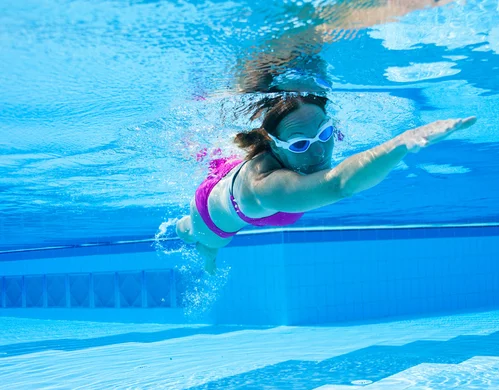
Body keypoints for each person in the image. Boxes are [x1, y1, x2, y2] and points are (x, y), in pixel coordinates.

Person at [176, 93, 476, 274]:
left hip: (231, 172)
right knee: (204, 241)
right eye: (299, 145)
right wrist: (402, 143)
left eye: (324, 134)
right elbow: (338, 185)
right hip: (211, 216)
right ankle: (188, 236)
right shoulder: (266, 187)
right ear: (275, 146)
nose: (319, 151)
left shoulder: (290, 149)